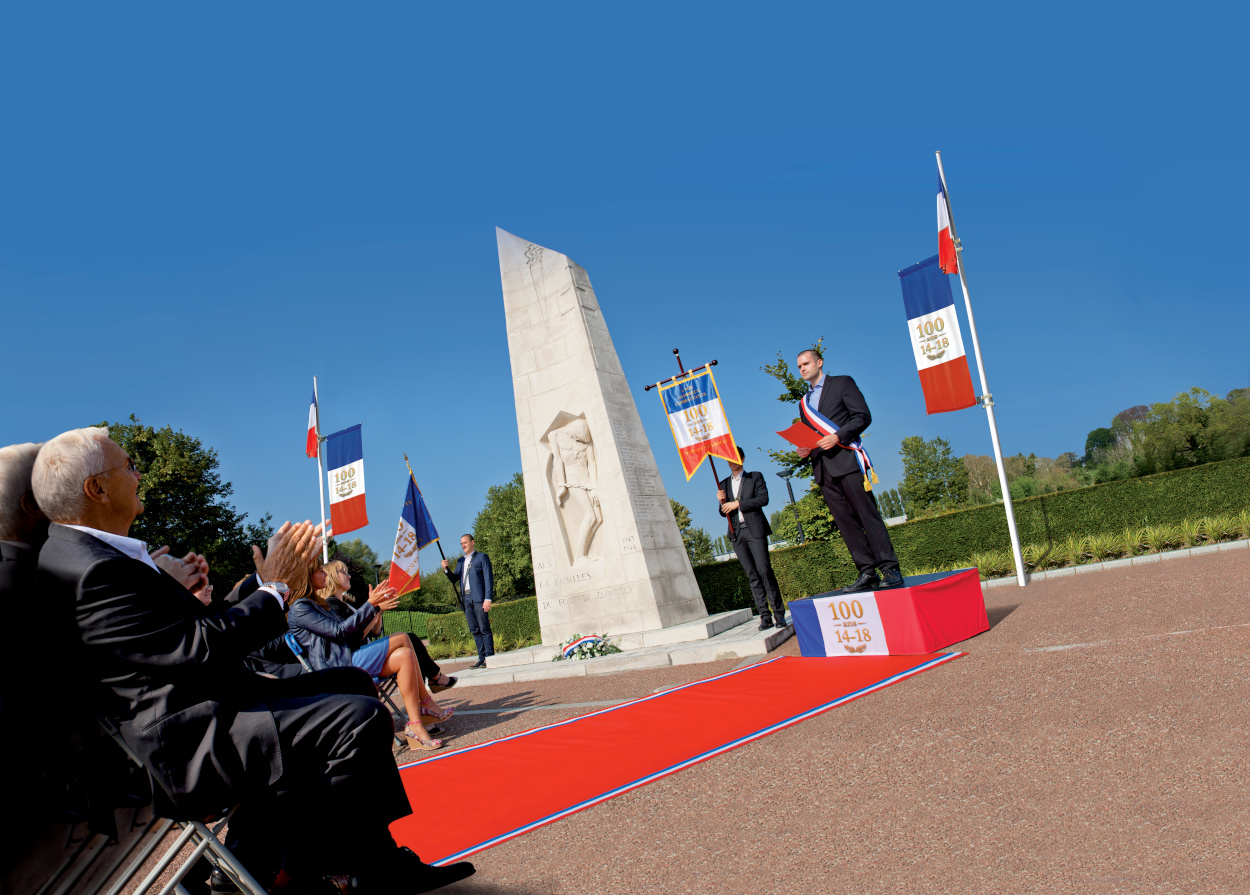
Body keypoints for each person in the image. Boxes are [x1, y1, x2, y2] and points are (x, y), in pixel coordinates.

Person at [32, 426, 474, 893]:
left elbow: (184, 637)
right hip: (184, 742)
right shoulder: (91, 569)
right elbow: (197, 649)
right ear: (96, 489)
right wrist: (275, 589)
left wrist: (254, 586)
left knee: (353, 684)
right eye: (128, 466)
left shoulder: (91, 555)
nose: (138, 474)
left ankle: (315, 862)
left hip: (200, 711)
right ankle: (303, 871)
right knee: (356, 718)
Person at [287, 559, 452, 751]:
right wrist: (371, 605)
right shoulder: (300, 607)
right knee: (402, 637)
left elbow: (350, 635)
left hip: (348, 657)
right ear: (306, 576)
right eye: (320, 571)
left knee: (405, 654)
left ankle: (416, 726)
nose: (325, 574)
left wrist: (374, 607)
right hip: (338, 667)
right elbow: (340, 632)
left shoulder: (319, 604)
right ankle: (426, 704)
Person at [794, 349, 903, 592]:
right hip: (822, 469)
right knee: (846, 524)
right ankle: (867, 571)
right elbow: (812, 436)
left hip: (846, 461)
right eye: (799, 365)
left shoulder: (842, 383)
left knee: (867, 515)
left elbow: (862, 416)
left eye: (806, 363)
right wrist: (805, 450)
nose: (802, 368)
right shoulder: (803, 403)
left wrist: (837, 436)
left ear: (819, 363)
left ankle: (890, 568)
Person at [321, 559, 458, 693]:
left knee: (410, 647)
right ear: (332, 576)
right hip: (357, 658)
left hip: (364, 653)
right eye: (343, 572)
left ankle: (428, 690)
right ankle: (434, 680)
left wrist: (378, 610)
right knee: (408, 640)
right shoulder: (332, 605)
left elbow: (375, 631)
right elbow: (354, 637)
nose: (349, 575)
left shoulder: (346, 604)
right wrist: (374, 607)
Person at [717, 446, 787, 630]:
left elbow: (763, 499)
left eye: (735, 457)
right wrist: (722, 502)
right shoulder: (723, 484)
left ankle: (779, 614)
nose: (732, 461)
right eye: (729, 458)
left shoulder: (755, 477)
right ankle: (765, 616)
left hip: (755, 530)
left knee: (764, 570)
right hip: (737, 534)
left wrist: (738, 503)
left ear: (742, 458)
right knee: (752, 575)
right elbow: (723, 513)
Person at [441, 534, 493, 668]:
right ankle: (481, 658)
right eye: (461, 544)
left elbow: (488, 579)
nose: (463, 545)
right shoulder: (460, 561)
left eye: (465, 542)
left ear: (472, 542)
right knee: (474, 629)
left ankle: (490, 657)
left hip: (479, 598)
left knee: (484, 628)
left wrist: (488, 599)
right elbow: (454, 579)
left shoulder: (482, 557)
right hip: (466, 599)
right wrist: (446, 569)